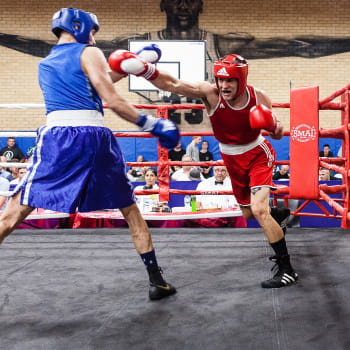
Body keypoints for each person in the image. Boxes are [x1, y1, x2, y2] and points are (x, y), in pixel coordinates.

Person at [0, 8, 180, 301]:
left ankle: (158, 281)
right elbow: (109, 98)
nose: (94, 38)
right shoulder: (87, 52)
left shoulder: (45, 64)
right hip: (94, 138)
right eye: (93, 31)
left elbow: (94, 87)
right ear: (79, 26)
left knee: (13, 213)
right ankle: (156, 281)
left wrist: (133, 65)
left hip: (59, 139)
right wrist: (152, 124)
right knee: (130, 209)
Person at [109, 50, 297, 288]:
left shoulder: (258, 97)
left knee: (259, 210)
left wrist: (271, 124)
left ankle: (287, 269)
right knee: (250, 214)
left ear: (242, 79)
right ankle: (277, 214)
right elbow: (174, 84)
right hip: (231, 156)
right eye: (221, 79)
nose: (224, 85)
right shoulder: (210, 93)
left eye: (230, 80)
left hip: (258, 153)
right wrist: (145, 69)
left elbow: (278, 134)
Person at [3, 1, 350, 62]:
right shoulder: (138, 44)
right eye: (176, 1)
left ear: (201, 6)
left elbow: (301, 46)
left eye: (190, 1)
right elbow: (54, 48)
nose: (183, 5)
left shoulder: (224, 43)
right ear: (164, 6)